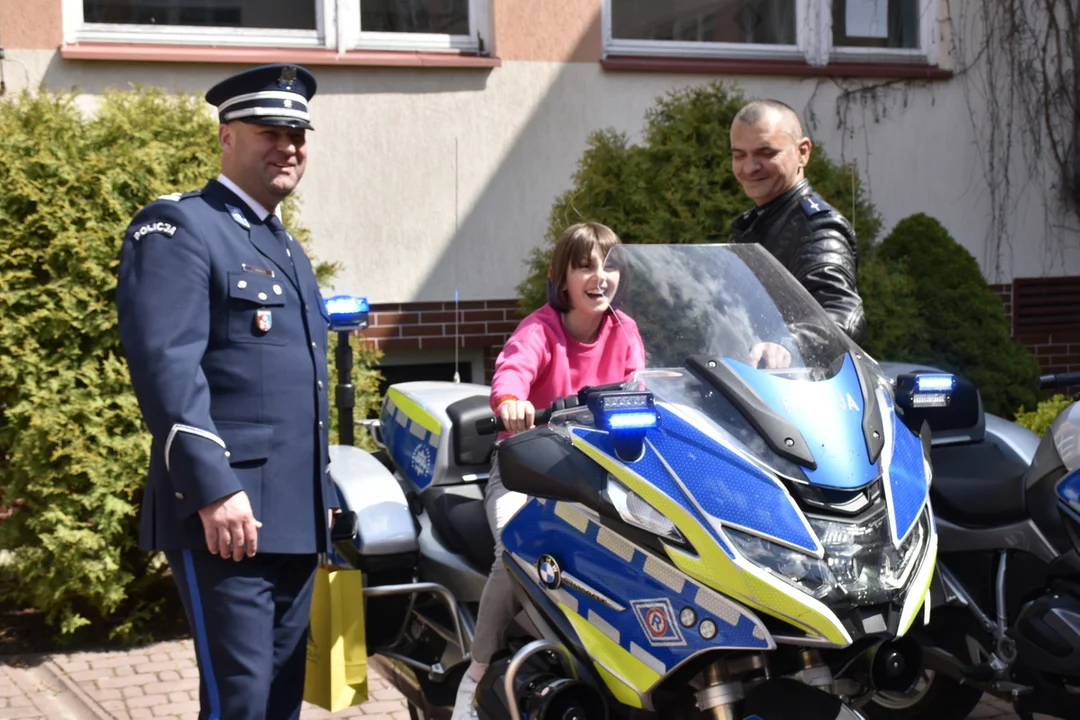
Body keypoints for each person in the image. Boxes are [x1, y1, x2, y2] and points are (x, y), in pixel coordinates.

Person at [115, 64, 335, 720]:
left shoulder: (283, 247)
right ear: (226, 137)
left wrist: (320, 493)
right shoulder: (180, 228)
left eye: (298, 132)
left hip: (293, 516)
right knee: (237, 702)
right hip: (226, 518)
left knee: (278, 700)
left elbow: (299, 388)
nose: (288, 145)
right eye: (270, 130)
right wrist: (213, 488)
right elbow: (167, 370)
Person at [451, 222, 646, 720]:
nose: (599, 277)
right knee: (520, 544)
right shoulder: (540, 329)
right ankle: (476, 673)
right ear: (562, 278)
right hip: (528, 468)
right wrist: (512, 401)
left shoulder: (625, 330)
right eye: (585, 266)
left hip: (598, 474)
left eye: (608, 266)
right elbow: (512, 370)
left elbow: (644, 386)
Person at [729, 99, 866, 345]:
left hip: (794, 381)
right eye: (739, 155)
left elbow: (841, 312)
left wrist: (787, 345)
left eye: (767, 153)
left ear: (802, 152)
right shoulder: (761, 221)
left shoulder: (818, 229)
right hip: (751, 380)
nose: (749, 167)